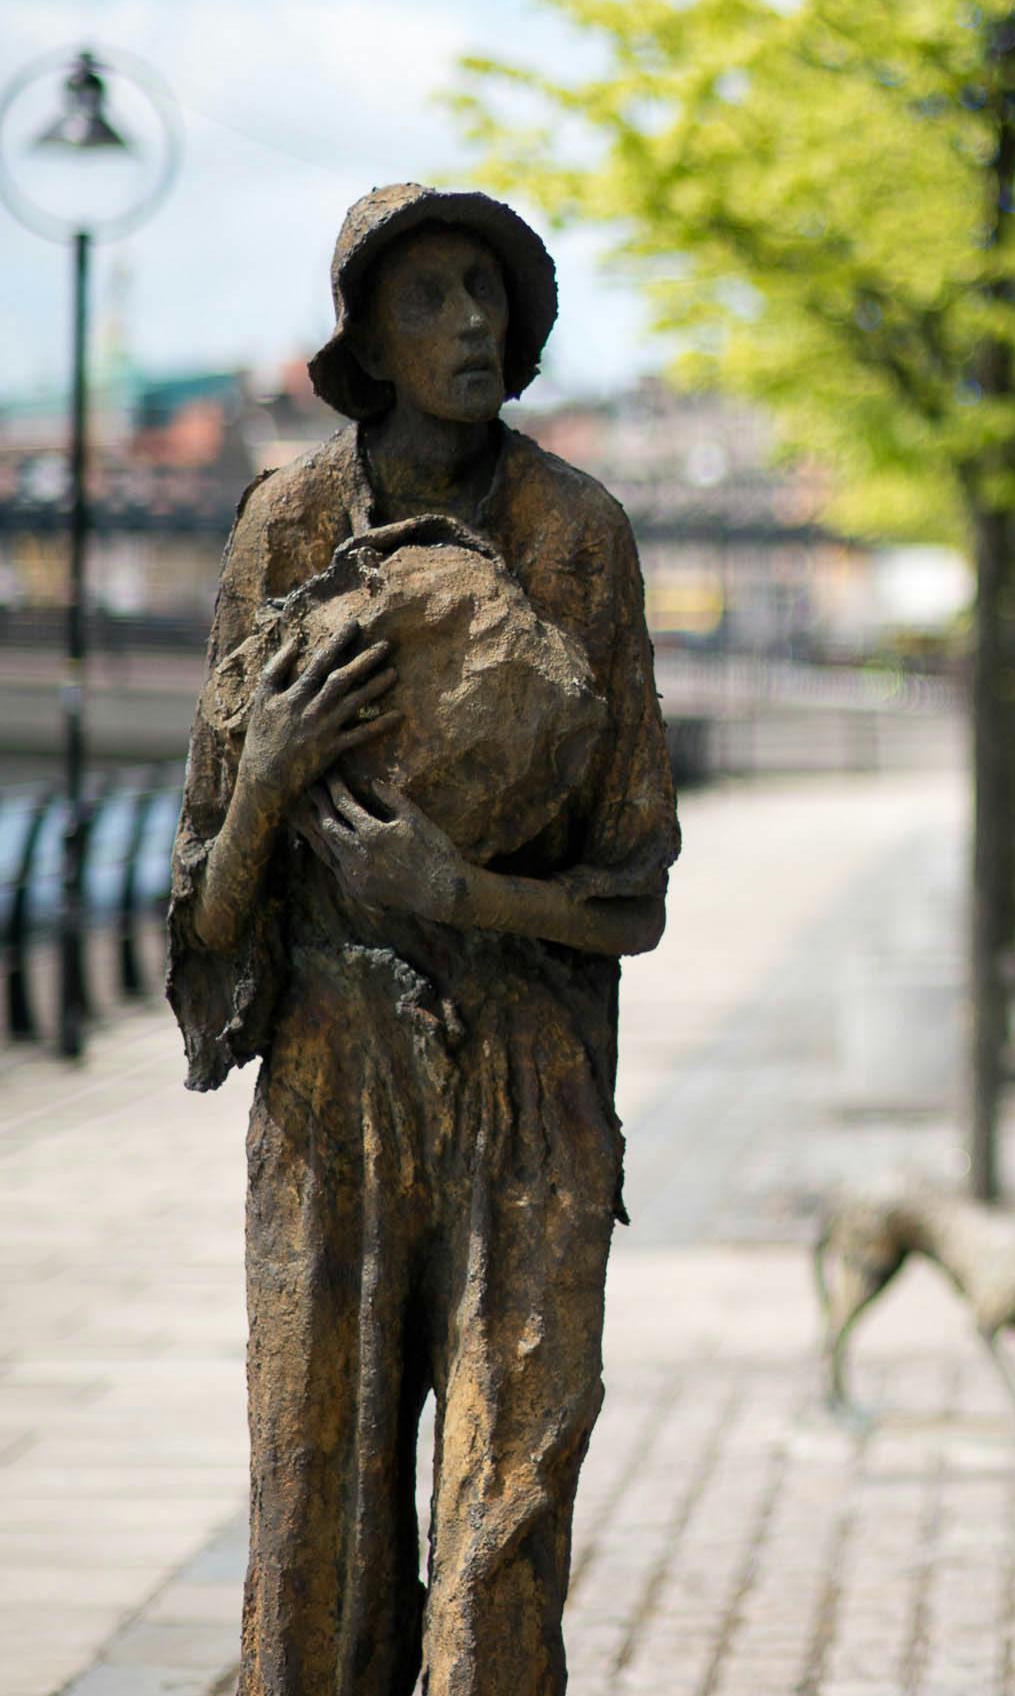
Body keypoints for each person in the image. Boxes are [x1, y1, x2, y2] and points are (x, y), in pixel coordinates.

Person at [168, 185, 678, 1694]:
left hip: (530, 1079)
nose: (471, 324)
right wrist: (262, 779)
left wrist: (465, 892)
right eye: (430, 298)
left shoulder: (580, 534)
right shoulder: (289, 523)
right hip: (332, 1079)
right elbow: (202, 911)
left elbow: (635, 891)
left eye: (488, 293)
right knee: (312, 1508)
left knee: (508, 1503)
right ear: (368, 344)